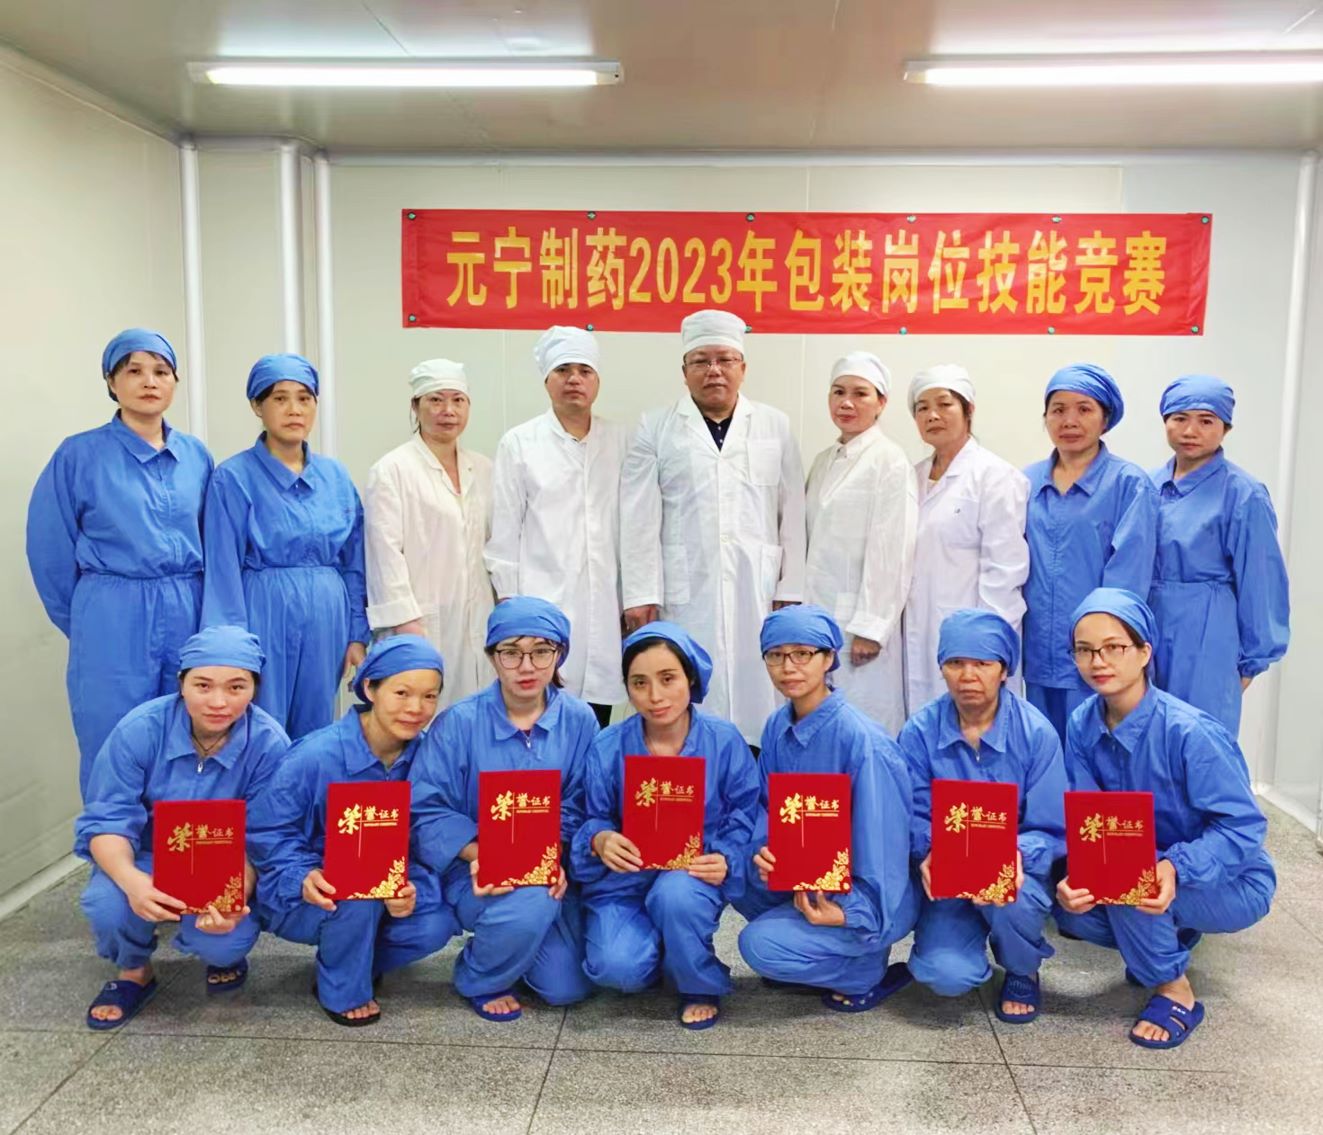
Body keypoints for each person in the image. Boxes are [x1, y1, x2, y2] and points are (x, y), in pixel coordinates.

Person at [1056, 588, 1276, 1049]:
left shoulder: (1190, 733)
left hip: (1234, 877)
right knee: (1070, 910)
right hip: (1144, 864)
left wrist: (1175, 867)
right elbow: (1091, 819)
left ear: (1144, 652)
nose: (1098, 661)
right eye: (1085, 649)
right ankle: (1169, 933)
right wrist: (1081, 875)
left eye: (1114, 647)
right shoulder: (1081, 724)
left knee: (1130, 888)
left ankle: (1175, 990)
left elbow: (1244, 827)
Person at [27, 329, 213, 797]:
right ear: (112, 382)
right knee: (111, 738)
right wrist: (91, 622)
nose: (149, 381)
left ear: (174, 382)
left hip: (187, 606)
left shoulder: (195, 456)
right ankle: (112, 843)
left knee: (188, 733)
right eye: (134, 371)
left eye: (161, 371)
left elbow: (215, 540)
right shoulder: (79, 455)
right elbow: (49, 552)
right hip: (111, 615)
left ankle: (180, 842)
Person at [74, 626, 288, 1030]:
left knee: (225, 942)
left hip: (224, 861)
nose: (219, 702)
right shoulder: (139, 731)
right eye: (202, 685)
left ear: (254, 689)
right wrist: (132, 881)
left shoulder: (269, 744)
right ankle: (134, 969)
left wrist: (236, 894)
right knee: (108, 904)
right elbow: (107, 819)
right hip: (147, 853)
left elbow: (265, 835)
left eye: (237, 687)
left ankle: (222, 953)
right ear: (181, 683)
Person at [248, 635, 458, 1026]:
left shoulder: (429, 757)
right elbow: (268, 829)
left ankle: (351, 959)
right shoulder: (315, 755)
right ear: (370, 688)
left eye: (429, 696)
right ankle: (341, 988)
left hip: (387, 886)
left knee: (436, 924)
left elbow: (426, 833)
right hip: (311, 891)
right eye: (401, 693)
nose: (416, 708)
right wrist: (303, 874)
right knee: (355, 894)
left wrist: (410, 888)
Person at [620, 309, 807, 746]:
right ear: (684, 371)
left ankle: (756, 765)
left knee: (758, 688)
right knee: (688, 684)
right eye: (701, 361)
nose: (714, 370)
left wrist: (792, 587)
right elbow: (637, 515)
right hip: (686, 585)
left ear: (743, 367)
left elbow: (793, 511)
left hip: (757, 585)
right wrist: (641, 593)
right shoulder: (656, 426)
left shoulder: (775, 425)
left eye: (725, 359)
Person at [410, 597, 597, 1021]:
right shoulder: (459, 723)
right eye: (511, 652)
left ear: (559, 654)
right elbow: (425, 809)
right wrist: (481, 853)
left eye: (541, 651)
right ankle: (479, 976)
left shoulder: (580, 720)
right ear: (492, 656)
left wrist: (549, 852)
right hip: (474, 869)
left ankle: (509, 942)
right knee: (533, 902)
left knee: (565, 987)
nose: (526, 666)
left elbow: (582, 800)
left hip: (551, 866)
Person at [571, 622, 759, 1029]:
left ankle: (698, 982)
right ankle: (663, 950)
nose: (655, 696)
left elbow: (746, 811)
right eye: (639, 683)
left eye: (668, 678)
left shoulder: (724, 741)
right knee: (615, 968)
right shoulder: (608, 745)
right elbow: (592, 815)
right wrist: (600, 839)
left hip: (690, 873)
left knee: (675, 896)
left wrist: (727, 856)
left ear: (690, 678)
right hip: (623, 880)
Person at [736, 606, 918, 1012]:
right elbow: (766, 808)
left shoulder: (862, 742)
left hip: (872, 890)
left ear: (829, 658)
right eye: (776, 655)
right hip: (809, 874)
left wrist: (852, 911)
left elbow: (884, 847)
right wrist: (765, 853)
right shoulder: (777, 726)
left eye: (802, 653)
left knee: (757, 946)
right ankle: (812, 952)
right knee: (736, 869)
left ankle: (862, 969)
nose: (789, 667)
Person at [898, 610, 1066, 1023]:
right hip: (948, 875)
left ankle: (1022, 968)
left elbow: (1051, 827)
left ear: (1004, 670)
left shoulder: (1036, 734)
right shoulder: (919, 732)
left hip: (1015, 873)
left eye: (983, 663)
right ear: (941, 667)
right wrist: (929, 852)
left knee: (1015, 901)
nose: (968, 676)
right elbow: (910, 813)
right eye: (955, 662)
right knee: (946, 975)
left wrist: (1014, 855)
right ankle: (959, 945)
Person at [202, 354, 369, 738]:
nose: (294, 410)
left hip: (327, 616)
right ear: (257, 406)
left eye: (304, 398)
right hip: (264, 610)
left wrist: (357, 634)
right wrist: (229, 646)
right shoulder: (234, 477)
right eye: (280, 398)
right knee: (260, 724)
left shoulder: (335, 476)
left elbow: (355, 562)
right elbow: (223, 570)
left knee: (317, 725)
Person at [486, 327, 627, 726]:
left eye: (584, 370)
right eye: (563, 370)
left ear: (597, 380)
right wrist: (512, 613)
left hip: (605, 610)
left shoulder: (621, 441)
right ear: (547, 380)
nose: (574, 379)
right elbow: (504, 537)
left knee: (596, 718)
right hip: (539, 608)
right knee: (539, 718)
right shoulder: (519, 443)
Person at [1149, 375, 1289, 736]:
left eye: (1206, 421)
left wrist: (1251, 661)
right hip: (1148, 629)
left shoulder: (1242, 494)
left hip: (1207, 634)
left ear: (1225, 428)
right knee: (1147, 739)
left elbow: (1261, 580)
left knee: (1202, 740)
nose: (1190, 431)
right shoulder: (1147, 486)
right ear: (1165, 421)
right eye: (1180, 418)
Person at [1023, 364, 1157, 743]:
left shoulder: (1128, 484)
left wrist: (1100, 644)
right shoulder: (1025, 482)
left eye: (1084, 409)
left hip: (1100, 655)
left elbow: (1128, 578)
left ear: (1105, 419)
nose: (1069, 420)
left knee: (1098, 749)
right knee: (1042, 750)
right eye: (1058, 410)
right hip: (1036, 651)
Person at [365, 358, 494, 709]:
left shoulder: (483, 469)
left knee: (473, 715)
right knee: (418, 714)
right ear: (415, 406)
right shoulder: (392, 470)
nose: (448, 411)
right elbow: (384, 554)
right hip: (419, 621)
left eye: (458, 400)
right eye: (436, 400)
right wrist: (406, 623)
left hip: (476, 619)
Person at [903, 365, 1029, 715]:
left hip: (973, 643)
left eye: (944, 404)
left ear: (968, 409)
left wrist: (985, 646)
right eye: (922, 407)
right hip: (915, 632)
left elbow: (1005, 570)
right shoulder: (910, 477)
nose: (932, 415)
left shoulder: (996, 476)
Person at [804, 352, 916, 734]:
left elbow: (892, 548)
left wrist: (871, 625)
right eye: (838, 392)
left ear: (881, 402)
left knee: (865, 722)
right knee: (823, 720)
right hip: (820, 614)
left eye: (860, 394)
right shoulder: (824, 460)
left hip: (860, 627)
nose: (847, 403)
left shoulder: (889, 460)